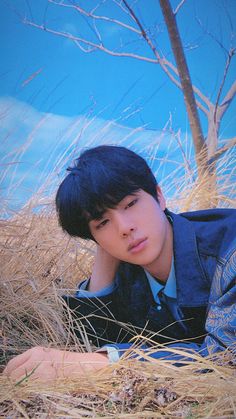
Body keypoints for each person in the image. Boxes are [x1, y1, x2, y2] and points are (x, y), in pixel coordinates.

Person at [4, 145, 236, 380]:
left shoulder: (230, 251)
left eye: (130, 204)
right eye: (102, 223)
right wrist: (105, 259)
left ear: (159, 196)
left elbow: (226, 358)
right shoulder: (128, 272)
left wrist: (100, 364)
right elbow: (88, 341)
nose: (124, 228)